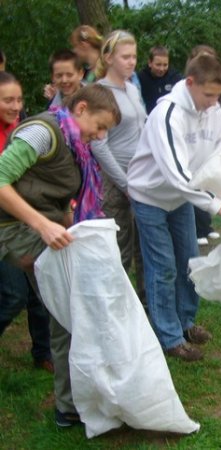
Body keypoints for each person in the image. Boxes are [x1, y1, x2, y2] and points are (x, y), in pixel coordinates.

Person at [0, 84, 120, 426]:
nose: (100, 136)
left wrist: (75, 228)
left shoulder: (73, 144)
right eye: (99, 126)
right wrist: (42, 225)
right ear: (81, 109)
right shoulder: (42, 132)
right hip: (14, 230)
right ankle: (70, 405)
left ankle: (74, 401)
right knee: (71, 310)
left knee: (71, 310)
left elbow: (55, 196)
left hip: (40, 227)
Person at [127, 54, 221, 362]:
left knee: (189, 262)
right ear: (191, 82)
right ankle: (169, 337)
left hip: (182, 198)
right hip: (151, 197)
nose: (213, 103)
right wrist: (219, 206)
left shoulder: (212, 110)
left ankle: (185, 322)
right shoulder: (167, 115)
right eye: (208, 95)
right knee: (163, 267)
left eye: (218, 96)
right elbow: (177, 175)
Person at [0, 71, 53, 373]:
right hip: (5, 227)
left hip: (22, 221)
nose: (16, 106)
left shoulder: (24, 129)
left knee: (37, 289)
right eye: (8, 100)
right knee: (13, 295)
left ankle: (43, 352)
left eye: (19, 99)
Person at [91, 30, 147, 301]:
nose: (131, 62)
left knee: (144, 247)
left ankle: (146, 306)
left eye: (134, 56)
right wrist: (124, 183)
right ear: (109, 58)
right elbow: (98, 145)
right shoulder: (100, 92)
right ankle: (116, 307)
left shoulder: (132, 89)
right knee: (119, 249)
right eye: (125, 57)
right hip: (114, 183)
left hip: (141, 178)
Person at [186, 45, 221, 246]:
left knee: (204, 190)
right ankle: (197, 230)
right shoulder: (173, 110)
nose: (213, 101)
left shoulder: (214, 107)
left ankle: (205, 227)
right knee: (192, 192)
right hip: (183, 172)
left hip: (204, 161)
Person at [137, 46, 183, 114]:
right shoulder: (140, 79)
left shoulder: (175, 78)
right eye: (158, 65)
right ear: (150, 63)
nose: (161, 69)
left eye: (165, 65)